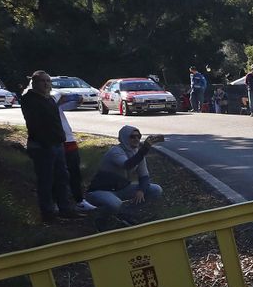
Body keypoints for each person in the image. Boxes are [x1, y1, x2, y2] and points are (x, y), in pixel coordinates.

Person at [20, 72, 81, 223]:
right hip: (42, 146)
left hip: (58, 144)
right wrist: (45, 142)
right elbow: (35, 124)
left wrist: (61, 139)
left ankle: (65, 209)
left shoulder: (50, 99)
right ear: (34, 83)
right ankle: (48, 214)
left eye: (48, 81)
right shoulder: (30, 100)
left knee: (62, 178)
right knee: (46, 181)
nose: (46, 84)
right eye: (43, 81)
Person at [87, 125, 163, 227]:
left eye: (138, 136)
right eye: (132, 137)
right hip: (100, 191)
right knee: (115, 204)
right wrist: (145, 149)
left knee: (155, 190)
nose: (136, 139)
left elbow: (144, 177)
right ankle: (100, 219)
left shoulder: (137, 154)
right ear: (124, 138)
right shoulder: (116, 151)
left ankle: (126, 214)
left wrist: (141, 190)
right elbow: (127, 165)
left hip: (121, 188)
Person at [57, 96, 94, 214]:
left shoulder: (54, 101)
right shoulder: (40, 102)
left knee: (75, 173)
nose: (47, 87)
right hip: (56, 142)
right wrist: (59, 101)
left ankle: (79, 201)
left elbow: (70, 105)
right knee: (59, 175)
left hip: (69, 141)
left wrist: (77, 100)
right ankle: (59, 203)